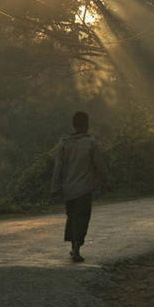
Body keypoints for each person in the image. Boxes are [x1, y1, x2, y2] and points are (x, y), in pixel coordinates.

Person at [51, 111, 106, 263]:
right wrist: (104, 181)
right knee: (82, 218)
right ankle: (76, 249)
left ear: (74, 125)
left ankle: (73, 247)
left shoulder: (65, 143)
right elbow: (100, 166)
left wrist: (55, 187)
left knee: (72, 217)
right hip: (84, 189)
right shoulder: (91, 143)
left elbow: (58, 167)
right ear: (86, 125)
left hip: (68, 189)